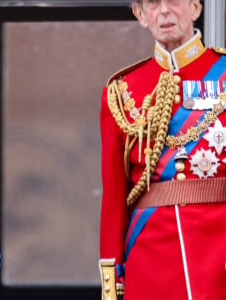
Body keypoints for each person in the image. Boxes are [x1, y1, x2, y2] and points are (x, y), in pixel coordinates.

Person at [99, 0, 226, 299]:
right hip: (150, 254)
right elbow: (115, 197)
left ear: (195, 7)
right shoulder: (122, 91)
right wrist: (112, 276)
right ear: (140, 15)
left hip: (218, 247)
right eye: (153, 4)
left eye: (174, 1)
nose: (164, 11)